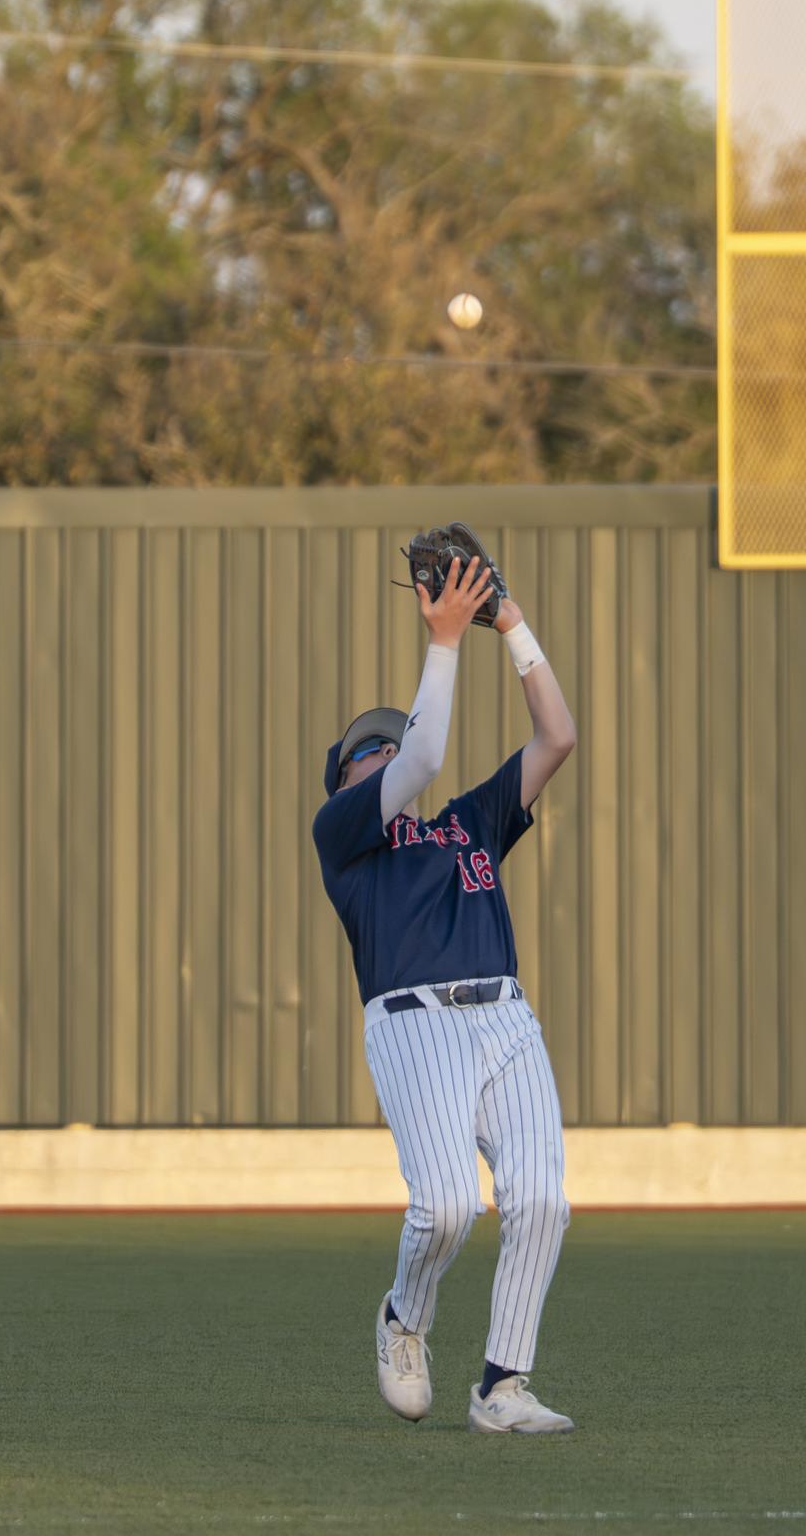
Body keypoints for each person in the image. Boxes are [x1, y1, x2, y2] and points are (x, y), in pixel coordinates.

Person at [312, 554, 578, 1434]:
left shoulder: (465, 822)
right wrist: (444, 637)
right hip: (412, 1023)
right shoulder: (344, 836)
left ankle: (502, 1385)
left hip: (503, 1014)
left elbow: (557, 738)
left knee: (541, 1198)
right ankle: (404, 1318)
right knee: (448, 1207)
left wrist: (509, 623)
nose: (386, 750)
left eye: (389, 739)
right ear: (346, 777)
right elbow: (423, 750)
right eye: (368, 750)